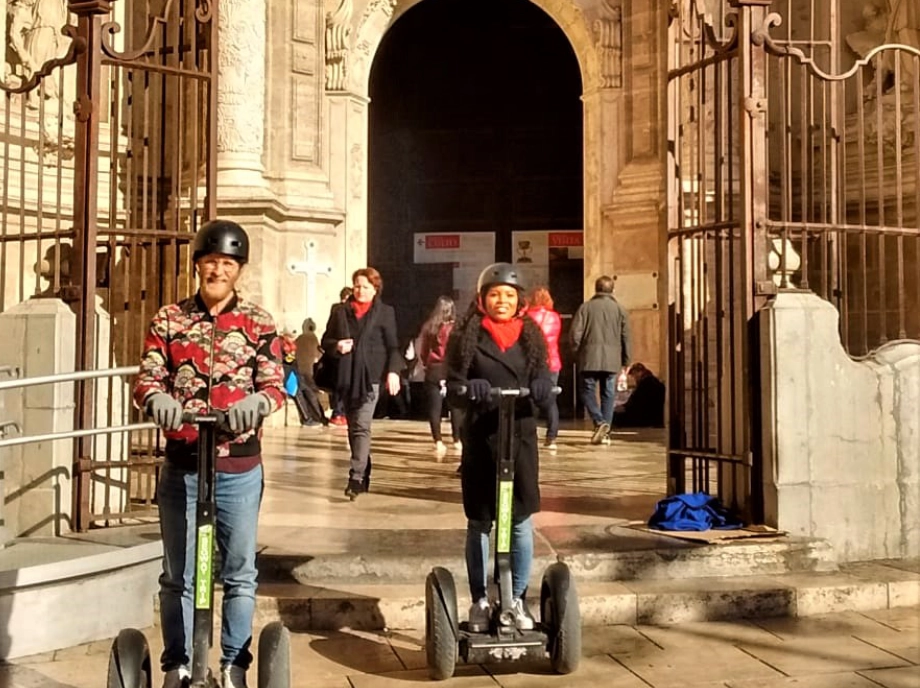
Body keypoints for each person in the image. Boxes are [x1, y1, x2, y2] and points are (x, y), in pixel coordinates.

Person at [133, 220, 285, 688]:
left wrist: (258, 404)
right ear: (198, 265)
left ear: (239, 270)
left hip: (238, 466)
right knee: (178, 575)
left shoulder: (258, 322)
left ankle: (234, 665)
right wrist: (155, 398)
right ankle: (178, 665)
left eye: (227, 264)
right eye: (211, 262)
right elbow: (148, 376)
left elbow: (275, 384)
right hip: (183, 463)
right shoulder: (170, 319)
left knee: (239, 573)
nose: (218, 270)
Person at [447, 262, 554, 633]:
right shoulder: (467, 336)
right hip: (482, 437)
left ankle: (517, 597)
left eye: (509, 295)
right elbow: (453, 384)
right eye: (494, 295)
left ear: (519, 300)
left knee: (520, 520)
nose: (502, 301)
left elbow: (543, 374)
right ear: (482, 299)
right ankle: (480, 598)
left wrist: (542, 385)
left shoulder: (530, 335)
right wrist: (468, 387)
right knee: (480, 521)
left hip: (519, 437)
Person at [321, 268, 402, 500]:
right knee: (353, 426)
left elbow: (393, 346)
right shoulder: (340, 311)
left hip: (371, 378)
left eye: (366, 287)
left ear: (375, 289)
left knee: (361, 426)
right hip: (346, 376)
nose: (360, 290)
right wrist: (337, 345)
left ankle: (355, 477)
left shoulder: (385, 312)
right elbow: (325, 340)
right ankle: (363, 467)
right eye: (357, 285)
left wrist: (393, 372)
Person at [570, 275, 631, 445]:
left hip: (589, 357)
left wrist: (576, 353)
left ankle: (599, 421)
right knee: (608, 395)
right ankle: (605, 433)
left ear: (596, 288)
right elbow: (626, 337)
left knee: (586, 391)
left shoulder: (585, 308)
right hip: (612, 359)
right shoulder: (620, 310)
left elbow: (575, 334)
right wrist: (627, 361)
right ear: (612, 290)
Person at [417, 295, 462, 455]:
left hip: (434, 368)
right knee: (455, 407)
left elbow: (423, 350)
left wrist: (426, 363)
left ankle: (438, 442)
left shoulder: (429, 327)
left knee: (434, 408)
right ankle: (457, 440)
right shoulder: (456, 328)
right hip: (451, 369)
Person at [527, 285, 562, 450]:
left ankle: (530, 432)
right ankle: (552, 437)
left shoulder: (527, 317)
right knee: (551, 400)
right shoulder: (555, 317)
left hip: (534, 362)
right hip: (553, 361)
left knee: (531, 398)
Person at [327, 286, 352, 426]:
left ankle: (342, 412)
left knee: (346, 384)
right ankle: (337, 412)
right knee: (340, 384)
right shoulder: (338, 310)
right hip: (340, 354)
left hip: (349, 353)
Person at [613, 362, 666, 428]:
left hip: (645, 418)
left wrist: (624, 407)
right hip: (653, 418)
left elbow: (636, 403)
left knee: (615, 417)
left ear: (640, 372)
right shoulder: (653, 381)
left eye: (634, 374)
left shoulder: (646, 383)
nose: (634, 378)